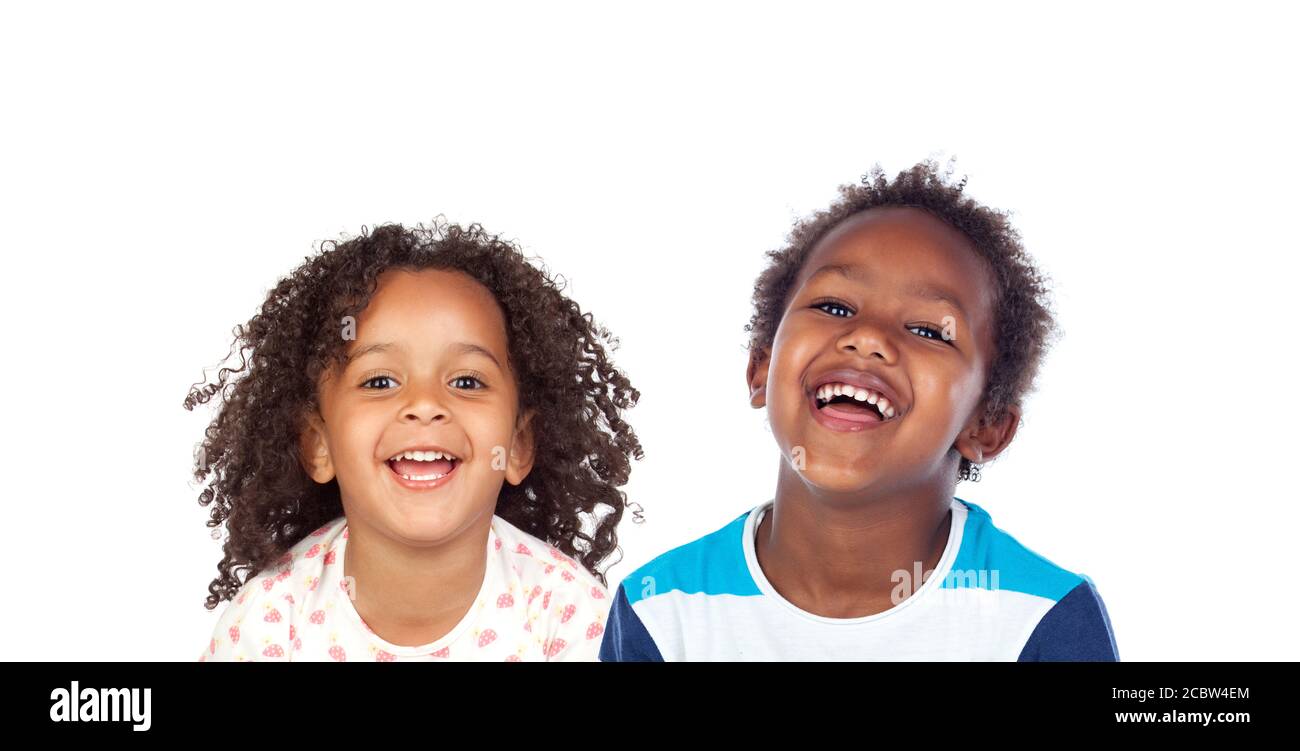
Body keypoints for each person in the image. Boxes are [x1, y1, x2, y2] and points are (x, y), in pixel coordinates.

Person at [600, 159, 1118, 661]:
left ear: (987, 425)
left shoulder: (1042, 620)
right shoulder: (660, 612)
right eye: (834, 308)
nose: (867, 338)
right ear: (762, 367)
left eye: (928, 331)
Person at [190, 220, 642, 661]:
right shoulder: (270, 622)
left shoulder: (569, 617)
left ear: (518, 445)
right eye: (380, 381)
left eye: (466, 381)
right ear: (318, 444)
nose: (425, 404)